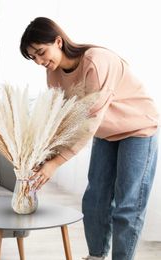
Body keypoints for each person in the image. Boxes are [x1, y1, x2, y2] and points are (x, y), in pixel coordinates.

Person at [20, 17, 159, 260]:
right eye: (34, 58)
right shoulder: (53, 74)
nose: (40, 62)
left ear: (58, 41)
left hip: (138, 129)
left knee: (127, 205)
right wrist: (46, 156)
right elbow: (62, 120)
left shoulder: (97, 61)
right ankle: (96, 256)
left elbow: (88, 120)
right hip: (105, 133)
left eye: (41, 52)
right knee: (95, 199)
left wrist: (56, 163)